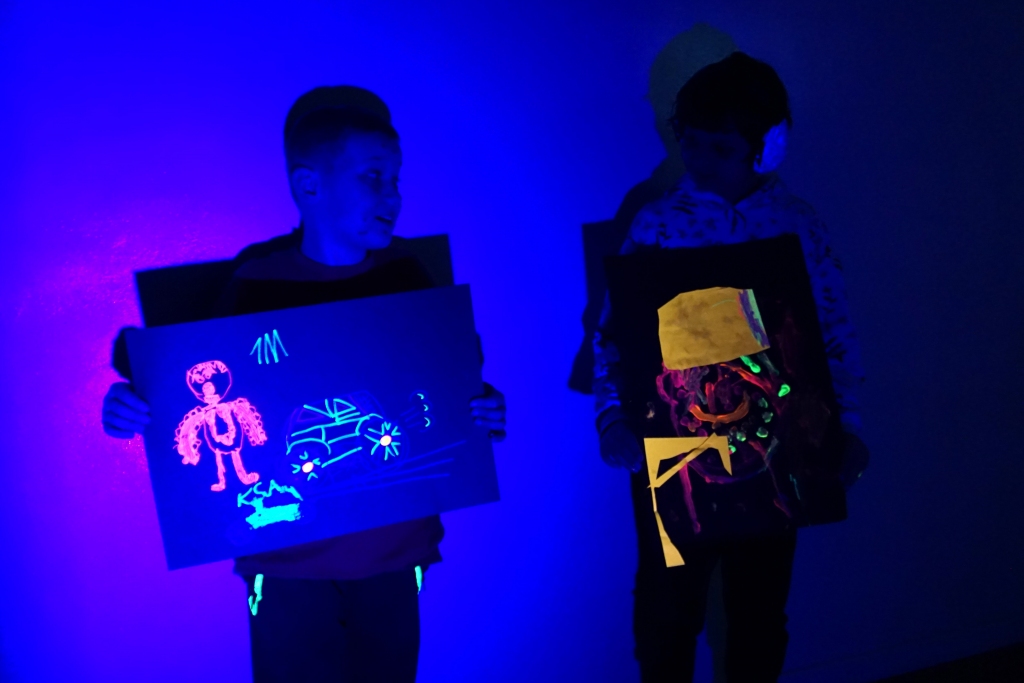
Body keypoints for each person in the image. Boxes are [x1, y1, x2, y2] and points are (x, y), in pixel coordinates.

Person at [101, 86, 507, 682]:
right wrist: (129, 402)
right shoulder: (257, 281)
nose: (393, 194)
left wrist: (483, 409)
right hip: (287, 561)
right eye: (373, 176)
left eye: (396, 179)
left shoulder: (408, 274)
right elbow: (173, 372)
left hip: (396, 550)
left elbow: (453, 384)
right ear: (309, 185)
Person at [593, 52, 868, 682]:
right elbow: (616, 332)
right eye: (690, 142)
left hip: (776, 450)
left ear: (766, 147)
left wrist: (846, 426)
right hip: (674, 451)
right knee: (667, 611)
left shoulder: (799, 225)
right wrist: (612, 418)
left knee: (760, 610)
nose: (699, 159)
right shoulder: (658, 223)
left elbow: (834, 332)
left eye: (720, 148)